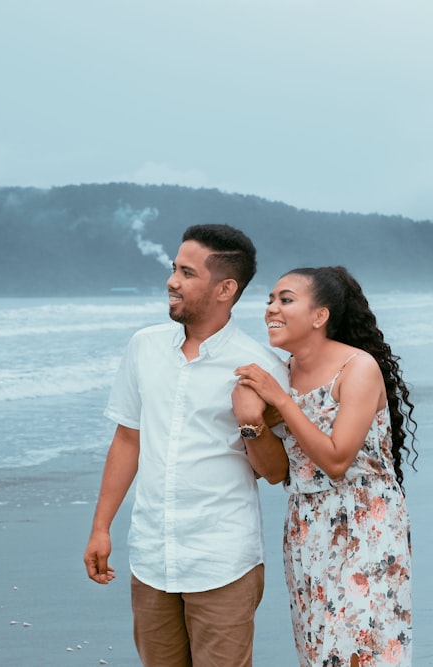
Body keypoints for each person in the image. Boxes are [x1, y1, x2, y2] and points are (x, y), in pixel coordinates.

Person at [83, 224, 290, 667]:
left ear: (225, 288)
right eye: (174, 268)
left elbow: (275, 472)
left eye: (187, 273)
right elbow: (127, 439)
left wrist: (251, 421)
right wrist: (102, 526)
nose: (172, 281)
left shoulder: (262, 366)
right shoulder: (145, 346)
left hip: (223, 561)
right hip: (151, 557)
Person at [232, 266, 418, 667]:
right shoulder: (282, 373)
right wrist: (250, 423)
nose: (270, 310)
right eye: (269, 301)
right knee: (319, 648)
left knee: (360, 646)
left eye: (285, 299)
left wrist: (281, 402)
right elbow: (276, 472)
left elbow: (336, 460)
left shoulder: (357, 368)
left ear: (320, 316)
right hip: (306, 526)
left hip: (366, 520)